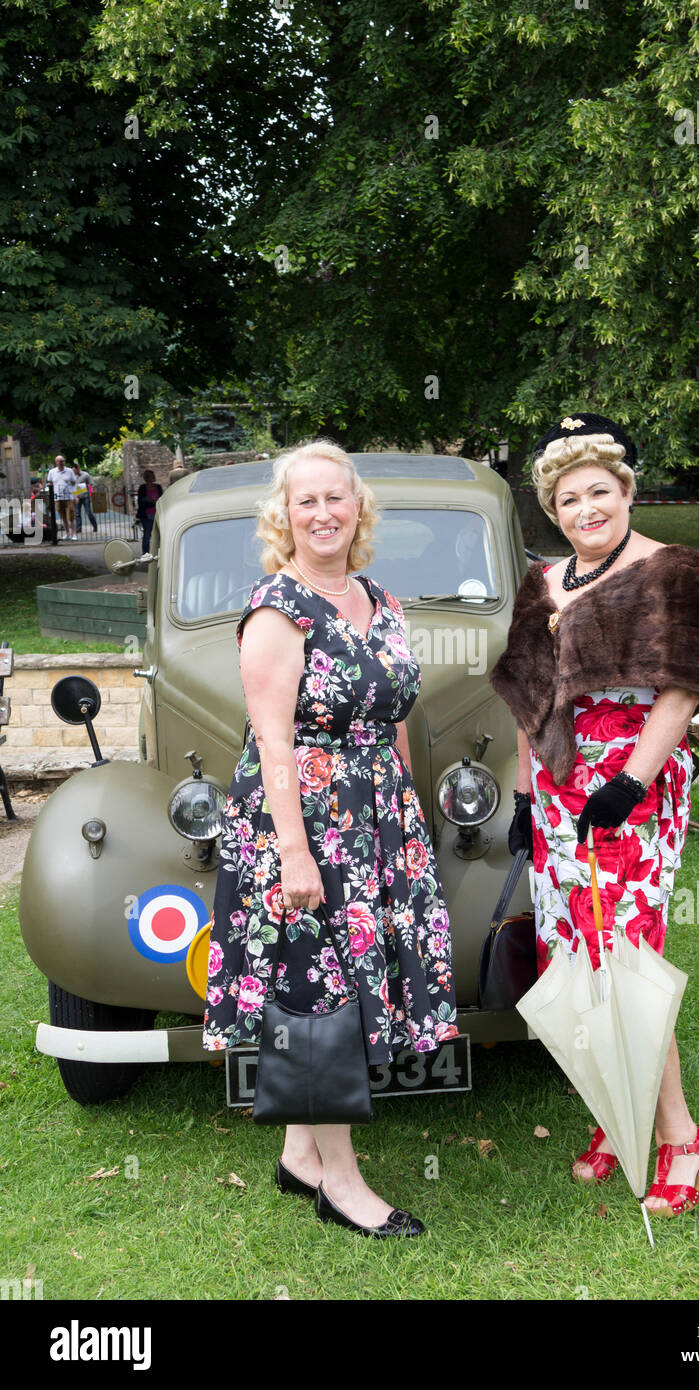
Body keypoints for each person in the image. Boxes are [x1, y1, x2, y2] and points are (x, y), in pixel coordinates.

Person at [202, 438, 459, 1237]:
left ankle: (298, 1154)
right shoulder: (277, 609)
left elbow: (395, 717)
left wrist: (410, 819)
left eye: (335, 498)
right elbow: (272, 743)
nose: (322, 513)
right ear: (284, 515)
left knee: (344, 979)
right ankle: (340, 1183)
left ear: (358, 509)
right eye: (304, 501)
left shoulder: (380, 599)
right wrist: (295, 853)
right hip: (303, 822)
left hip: (378, 818)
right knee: (324, 991)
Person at [489, 412, 699, 1219]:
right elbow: (529, 702)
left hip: (632, 788)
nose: (585, 509)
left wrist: (630, 780)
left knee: (623, 960)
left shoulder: (674, 570)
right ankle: (615, 1117)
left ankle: (681, 1137)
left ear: (626, 490)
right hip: (559, 792)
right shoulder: (544, 582)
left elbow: (683, 687)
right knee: (576, 959)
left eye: (598, 492)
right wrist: (525, 799)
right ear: (552, 513)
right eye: (566, 500)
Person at [47, 454, 76, 541]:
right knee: (63, 517)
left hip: (69, 497)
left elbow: (74, 483)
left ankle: (74, 535)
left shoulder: (70, 471)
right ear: (56, 462)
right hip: (57, 498)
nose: (62, 463)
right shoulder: (52, 472)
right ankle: (67, 534)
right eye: (60, 461)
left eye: (63, 461)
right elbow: (50, 483)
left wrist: (75, 495)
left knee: (71, 516)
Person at [136, 469, 162, 553]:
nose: (153, 477)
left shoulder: (158, 487)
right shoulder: (142, 488)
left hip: (157, 513)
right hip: (146, 515)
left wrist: (153, 501)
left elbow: (162, 499)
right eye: (151, 476)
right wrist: (151, 502)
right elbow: (141, 502)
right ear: (147, 478)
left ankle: (159, 552)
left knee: (159, 534)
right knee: (147, 535)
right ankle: (146, 553)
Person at [71, 463, 98, 535]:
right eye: (73, 470)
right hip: (76, 497)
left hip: (85, 496)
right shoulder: (71, 476)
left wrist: (93, 493)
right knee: (77, 513)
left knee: (89, 513)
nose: (74, 471)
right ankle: (78, 528)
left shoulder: (85, 475)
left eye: (75, 470)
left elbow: (92, 484)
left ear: (78, 468)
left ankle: (95, 526)